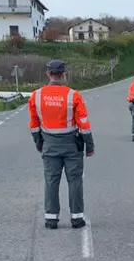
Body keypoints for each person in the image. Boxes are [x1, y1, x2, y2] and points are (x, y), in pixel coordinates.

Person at [28, 60, 95, 230]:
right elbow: (84, 124)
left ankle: (51, 219)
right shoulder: (74, 95)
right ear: (64, 75)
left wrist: (39, 143)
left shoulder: (36, 95)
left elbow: (34, 124)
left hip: (49, 144)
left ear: (48, 74)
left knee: (51, 180)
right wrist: (90, 145)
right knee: (75, 181)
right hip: (72, 145)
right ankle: (77, 218)